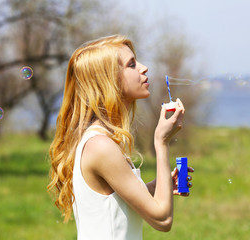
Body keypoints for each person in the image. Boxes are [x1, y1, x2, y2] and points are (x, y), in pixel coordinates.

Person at [48, 34, 194, 240]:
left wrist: (161, 185)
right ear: (108, 81)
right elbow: (163, 220)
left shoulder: (99, 140)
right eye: (132, 64)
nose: (144, 68)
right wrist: (161, 142)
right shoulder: (100, 146)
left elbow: (117, 203)